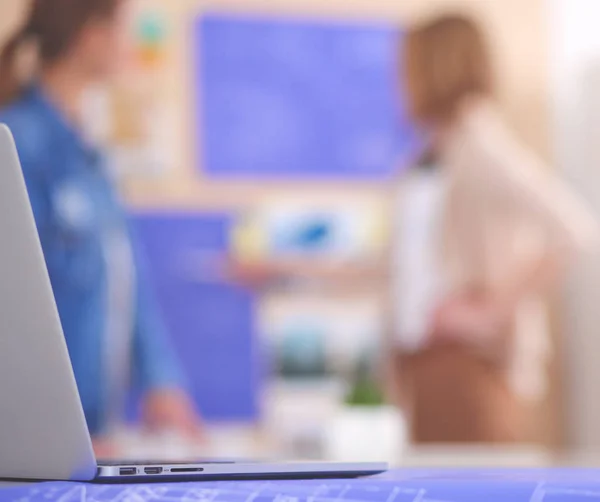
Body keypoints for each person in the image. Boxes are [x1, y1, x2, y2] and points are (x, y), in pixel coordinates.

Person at [0, 0, 203, 453]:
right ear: (92, 34)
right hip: (37, 438)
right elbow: (13, 304)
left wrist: (160, 379)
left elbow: (128, 276)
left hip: (95, 431)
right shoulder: (18, 144)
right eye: (123, 28)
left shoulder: (91, 158)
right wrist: (48, 435)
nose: (129, 44)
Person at [391, 13, 599, 443]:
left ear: (434, 65)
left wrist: (489, 310)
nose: (399, 79)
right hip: (424, 360)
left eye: (407, 65)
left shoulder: (478, 141)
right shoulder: (435, 149)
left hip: (467, 362)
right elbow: (403, 264)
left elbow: (573, 228)